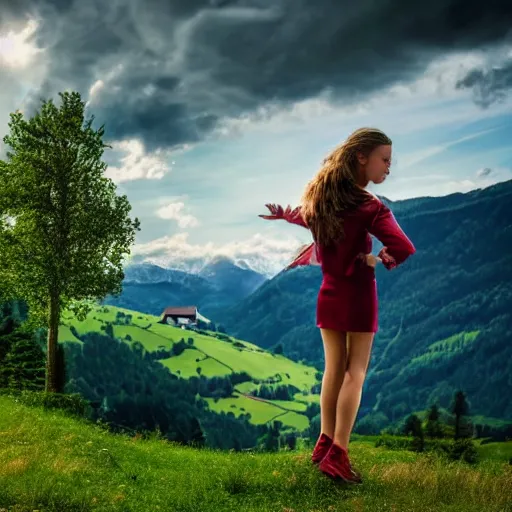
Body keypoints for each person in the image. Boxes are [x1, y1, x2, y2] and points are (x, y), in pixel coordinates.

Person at [259, 127, 416, 484]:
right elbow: (404, 247)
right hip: (359, 295)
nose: (389, 168)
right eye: (385, 160)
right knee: (355, 373)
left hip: (328, 294)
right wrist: (379, 260)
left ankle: (325, 442)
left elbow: (302, 215)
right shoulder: (371, 206)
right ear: (362, 157)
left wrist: (285, 214)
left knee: (333, 370)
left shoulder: (323, 200)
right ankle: (339, 455)